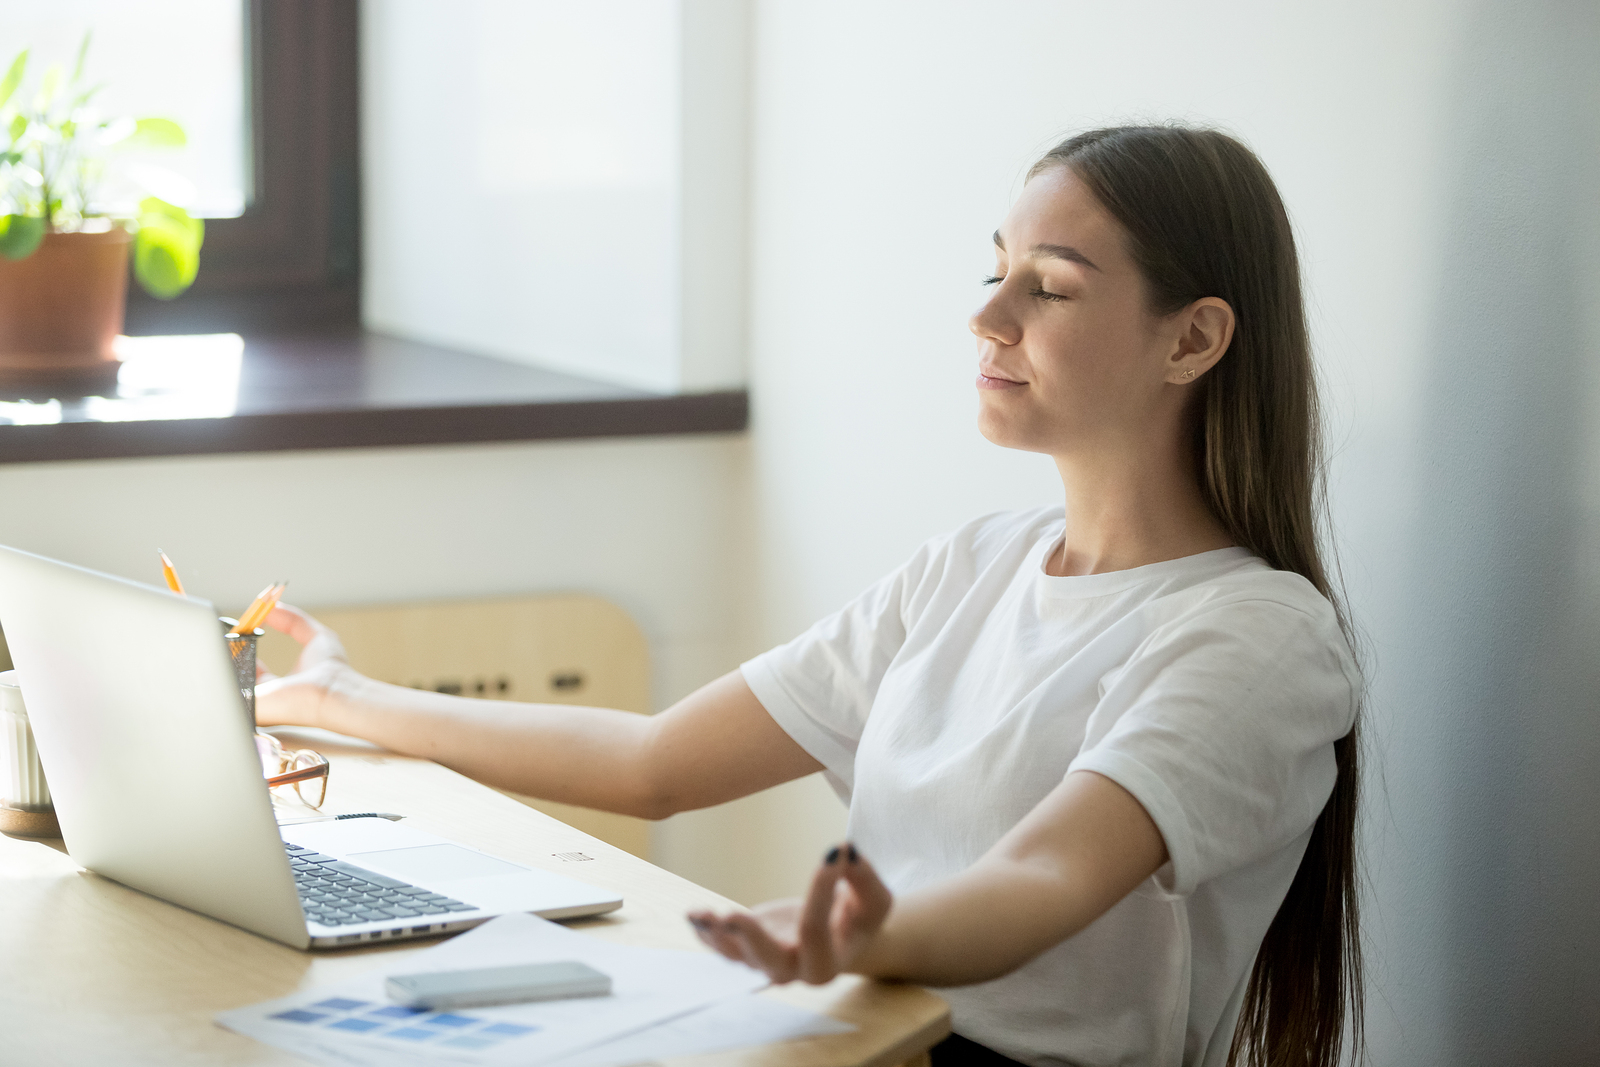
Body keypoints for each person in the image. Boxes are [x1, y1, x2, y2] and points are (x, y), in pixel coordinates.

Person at [258, 125, 1362, 1067]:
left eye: (1052, 287)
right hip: (856, 1029)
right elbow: (655, 763)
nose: (989, 319)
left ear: (1195, 338)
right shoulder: (970, 564)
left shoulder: (1258, 637)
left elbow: (1043, 874)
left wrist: (856, 934)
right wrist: (350, 699)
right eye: (996, 272)